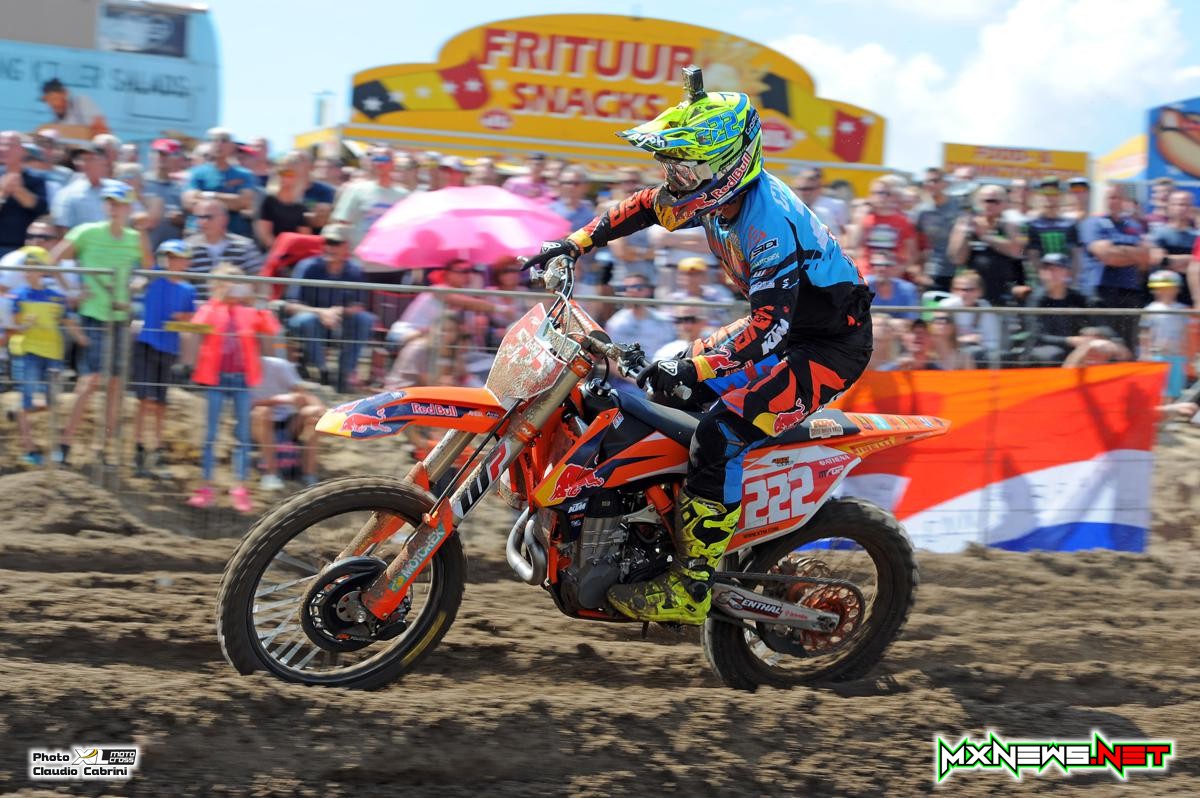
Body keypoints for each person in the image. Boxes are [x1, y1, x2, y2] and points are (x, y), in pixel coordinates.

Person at [524, 79, 872, 624]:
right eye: (672, 166)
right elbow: (644, 207)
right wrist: (575, 243)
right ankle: (653, 533)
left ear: (728, 164)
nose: (673, 179)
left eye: (685, 169)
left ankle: (692, 584)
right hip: (781, 327)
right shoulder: (715, 195)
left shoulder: (768, 224)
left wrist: (696, 368)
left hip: (827, 347)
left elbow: (769, 331)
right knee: (657, 390)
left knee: (720, 431)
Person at [49, 182, 152, 465]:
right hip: (93, 315)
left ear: (129, 207)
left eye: (118, 203)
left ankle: (103, 446)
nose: (112, 208)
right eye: (109, 202)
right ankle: (65, 443)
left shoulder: (135, 237)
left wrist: (137, 284)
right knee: (91, 380)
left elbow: (147, 269)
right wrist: (72, 291)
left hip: (120, 317)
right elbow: (53, 259)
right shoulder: (87, 231)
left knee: (116, 383)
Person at [188, 264, 281, 511]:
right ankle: (206, 487)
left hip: (241, 380)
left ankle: (240, 488)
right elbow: (196, 326)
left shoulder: (248, 311)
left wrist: (256, 302)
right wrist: (216, 299)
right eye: (226, 282)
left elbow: (272, 328)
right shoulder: (211, 308)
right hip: (216, 379)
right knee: (210, 435)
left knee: (242, 436)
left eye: (236, 282)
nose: (232, 287)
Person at [131, 240, 197, 478]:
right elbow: (146, 255)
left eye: (177, 257)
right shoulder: (155, 277)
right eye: (169, 257)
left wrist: (183, 317)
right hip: (147, 344)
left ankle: (157, 451)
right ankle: (139, 450)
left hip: (168, 349)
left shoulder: (188, 290)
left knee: (160, 403)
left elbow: (190, 320)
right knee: (144, 400)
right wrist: (142, 231)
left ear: (187, 261)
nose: (172, 261)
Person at [284, 224, 377, 392]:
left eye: (335, 243)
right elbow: (290, 305)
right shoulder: (307, 266)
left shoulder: (354, 270)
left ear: (346, 246)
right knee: (307, 320)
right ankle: (322, 373)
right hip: (308, 322)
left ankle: (344, 375)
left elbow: (359, 306)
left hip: (340, 323)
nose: (329, 248)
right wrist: (321, 313)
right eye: (326, 242)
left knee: (365, 319)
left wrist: (338, 312)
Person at [6, 246, 67, 465]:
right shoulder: (17, 296)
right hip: (26, 352)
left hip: (52, 353)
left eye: (33, 268)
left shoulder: (56, 297)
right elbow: (12, 327)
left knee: (49, 402)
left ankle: (52, 447)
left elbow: (66, 318)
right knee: (29, 401)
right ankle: (30, 449)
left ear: (42, 270)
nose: (28, 272)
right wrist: (24, 326)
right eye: (26, 268)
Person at [1081, 185, 1150, 350]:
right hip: (1101, 292)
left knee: (1128, 347)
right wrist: (1133, 254)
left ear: (1124, 200)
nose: (1115, 201)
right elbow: (1106, 256)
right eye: (1111, 197)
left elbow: (1147, 257)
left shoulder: (1133, 226)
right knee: (1106, 345)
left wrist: (1117, 250)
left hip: (1129, 292)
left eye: (1118, 197)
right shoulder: (1093, 223)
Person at [251, 354, 324, 491]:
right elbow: (245, 406)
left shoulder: (278, 366)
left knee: (313, 414)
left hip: (288, 422)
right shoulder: (237, 370)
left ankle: (309, 476)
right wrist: (278, 400)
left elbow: (304, 395)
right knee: (262, 412)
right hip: (258, 423)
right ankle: (270, 475)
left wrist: (322, 411)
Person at [947, 184, 1026, 306]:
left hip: (1002, 293)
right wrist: (967, 231)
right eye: (986, 201)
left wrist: (985, 236)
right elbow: (956, 258)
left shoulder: (1010, 225)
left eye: (995, 201)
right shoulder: (966, 224)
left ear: (1005, 203)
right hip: (972, 295)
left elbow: (1016, 250)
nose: (990, 205)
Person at [1021, 252, 1094, 366]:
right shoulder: (1035, 299)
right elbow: (1036, 335)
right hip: (1042, 348)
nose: (1051, 273)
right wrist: (1069, 340)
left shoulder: (1078, 298)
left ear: (1067, 273)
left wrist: (1093, 333)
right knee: (1053, 354)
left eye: (1057, 269)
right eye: (1047, 269)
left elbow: (1094, 323)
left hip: (1075, 347)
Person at [183, 128, 257, 238]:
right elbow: (189, 203)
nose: (219, 144)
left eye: (224, 140)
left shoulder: (244, 174)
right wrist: (231, 200)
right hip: (198, 233)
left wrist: (207, 195)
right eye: (214, 140)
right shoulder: (196, 172)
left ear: (232, 146)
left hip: (233, 234)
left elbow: (244, 203)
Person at [331, 146, 408, 248]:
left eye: (384, 159)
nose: (380, 163)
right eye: (376, 159)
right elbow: (341, 223)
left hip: (388, 251)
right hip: (359, 251)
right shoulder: (355, 190)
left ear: (393, 163)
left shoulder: (404, 195)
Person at [183, 200, 261, 300]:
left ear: (225, 219)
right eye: (199, 217)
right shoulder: (187, 247)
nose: (202, 222)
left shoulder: (245, 246)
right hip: (197, 307)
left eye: (208, 217)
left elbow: (258, 282)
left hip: (235, 306)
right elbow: (180, 282)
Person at [1024, 177, 1082, 293]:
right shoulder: (1033, 225)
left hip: (1065, 285)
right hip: (1041, 286)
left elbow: (1076, 257)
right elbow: (1033, 257)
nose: (1049, 198)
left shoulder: (1070, 224)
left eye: (1054, 193)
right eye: (1046, 193)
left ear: (1060, 196)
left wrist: (1073, 282)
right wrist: (1045, 280)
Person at [603, 273, 675, 362]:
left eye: (638, 287)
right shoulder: (615, 322)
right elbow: (611, 356)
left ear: (649, 290)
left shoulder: (664, 321)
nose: (631, 291)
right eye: (626, 288)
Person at [1140, 270, 1190, 397]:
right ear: (1154, 290)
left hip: (1178, 354)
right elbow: (1145, 332)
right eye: (1161, 289)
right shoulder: (1150, 309)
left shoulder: (1183, 309)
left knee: (1175, 389)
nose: (1165, 292)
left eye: (1169, 288)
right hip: (1157, 354)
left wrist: (1188, 352)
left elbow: (1187, 331)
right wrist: (1145, 353)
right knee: (1158, 390)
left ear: (1177, 289)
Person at [852, 178, 916, 277]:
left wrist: (900, 270)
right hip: (866, 273)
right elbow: (854, 245)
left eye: (884, 193)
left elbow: (912, 253)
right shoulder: (866, 219)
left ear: (892, 196)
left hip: (891, 275)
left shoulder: (903, 221)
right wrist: (861, 218)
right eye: (875, 193)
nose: (879, 197)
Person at [0, 131, 50, 257]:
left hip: (24, 249)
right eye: (1, 145)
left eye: (9, 145)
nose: (2, 149)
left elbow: (41, 208)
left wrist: (18, 190)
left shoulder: (36, 179)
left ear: (23, 150)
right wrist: (3, 192)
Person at [939, 269, 1002, 365]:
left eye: (969, 290)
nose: (963, 294)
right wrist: (964, 340)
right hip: (949, 356)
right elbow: (939, 339)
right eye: (958, 289)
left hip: (978, 358)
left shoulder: (986, 310)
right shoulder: (946, 307)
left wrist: (980, 342)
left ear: (980, 291)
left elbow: (993, 343)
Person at [1147, 190, 1197, 308]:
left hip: (1191, 297)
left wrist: (1173, 260)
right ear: (1169, 206)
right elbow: (1160, 261)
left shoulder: (1197, 236)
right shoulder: (1158, 232)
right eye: (1178, 204)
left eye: (1187, 205)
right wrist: (1193, 260)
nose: (1182, 208)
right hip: (1164, 299)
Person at [913, 167, 960, 291]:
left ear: (945, 183)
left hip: (959, 273)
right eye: (927, 181)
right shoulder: (921, 212)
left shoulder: (959, 207)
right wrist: (918, 272)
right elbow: (915, 245)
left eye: (935, 180)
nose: (930, 184)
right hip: (933, 272)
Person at [254, 152, 312, 251]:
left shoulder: (300, 206)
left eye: (289, 173)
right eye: (281, 173)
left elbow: (304, 237)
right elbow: (265, 235)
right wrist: (280, 253)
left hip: (292, 253)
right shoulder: (268, 200)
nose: (283, 177)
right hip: (269, 253)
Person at [141, 138, 186, 249]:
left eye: (166, 154)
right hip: (144, 250)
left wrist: (180, 220)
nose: (161, 158)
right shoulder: (141, 184)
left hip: (171, 252)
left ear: (176, 158)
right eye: (157, 153)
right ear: (150, 156)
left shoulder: (180, 187)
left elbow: (188, 221)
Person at [39, 78, 108, 135]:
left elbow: (101, 129)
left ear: (65, 94)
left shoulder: (81, 102)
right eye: (49, 101)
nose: (53, 104)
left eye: (54, 98)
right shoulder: (55, 124)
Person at [792, 168, 847, 236]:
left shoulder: (831, 208)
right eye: (800, 189)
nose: (804, 192)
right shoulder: (789, 207)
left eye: (809, 189)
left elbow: (840, 234)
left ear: (819, 188)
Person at [865, 251, 919, 320]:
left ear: (894, 267)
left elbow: (911, 320)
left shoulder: (907, 289)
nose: (881, 269)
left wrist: (888, 322)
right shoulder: (861, 287)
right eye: (876, 265)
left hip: (898, 327)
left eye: (887, 265)